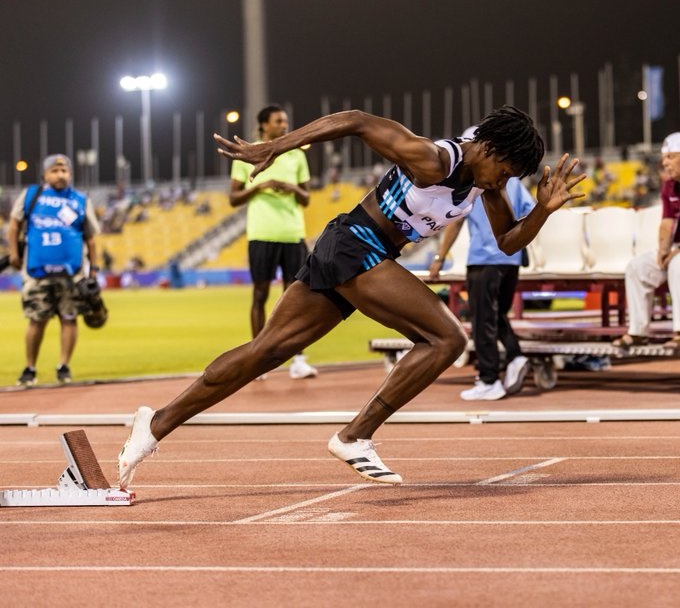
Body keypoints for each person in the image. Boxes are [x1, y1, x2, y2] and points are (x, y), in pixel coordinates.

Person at [118, 106, 584, 488]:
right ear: (490, 148)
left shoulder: (488, 183)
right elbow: (358, 120)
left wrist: (542, 209)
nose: (500, 182)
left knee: (267, 351)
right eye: (504, 170)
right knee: (445, 338)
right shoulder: (434, 159)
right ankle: (354, 435)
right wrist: (277, 146)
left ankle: (154, 424)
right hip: (356, 244)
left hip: (353, 249)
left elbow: (507, 241)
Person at [429, 166, 536, 401]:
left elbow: (455, 222)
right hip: (511, 257)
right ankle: (514, 355)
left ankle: (489, 380)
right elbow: (529, 212)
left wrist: (440, 256)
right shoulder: (515, 181)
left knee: (482, 319)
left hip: (483, 257)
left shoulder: (475, 182)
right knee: (496, 315)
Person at [229, 104, 318, 380]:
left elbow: (306, 198)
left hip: (292, 233)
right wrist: (259, 187)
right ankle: (257, 360)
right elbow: (233, 198)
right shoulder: (248, 154)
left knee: (296, 298)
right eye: (279, 121)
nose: (284, 125)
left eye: (285, 121)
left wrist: (292, 188)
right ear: (264, 125)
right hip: (262, 234)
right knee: (260, 295)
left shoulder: (295, 154)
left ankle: (298, 360)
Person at [7, 154, 100, 385]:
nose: (61, 175)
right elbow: (14, 225)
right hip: (37, 271)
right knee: (36, 320)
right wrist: (13, 253)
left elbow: (91, 239)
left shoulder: (80, 200)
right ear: (45, 175)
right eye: (55, 170)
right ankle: (30, 368)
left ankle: (64, 367)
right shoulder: (31, 195)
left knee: (69, 318)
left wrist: (94, 270)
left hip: (72, 274)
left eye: (65, 171)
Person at [613, 132, 680, 350]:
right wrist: (663, 250)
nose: (664, 162)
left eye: (670, 156)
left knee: (678, 266)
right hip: (676, 248)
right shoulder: (669, 185)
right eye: (664, 157)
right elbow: (667, 221)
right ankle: (638, 332)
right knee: (637, 267)